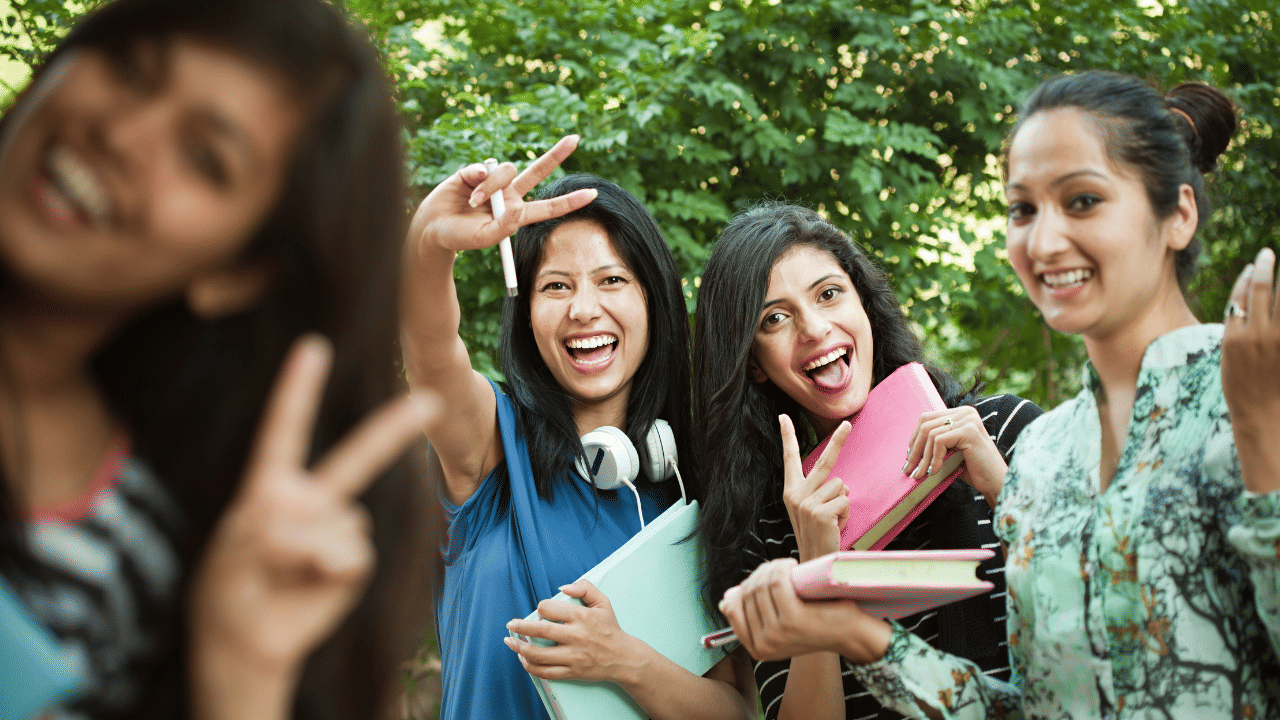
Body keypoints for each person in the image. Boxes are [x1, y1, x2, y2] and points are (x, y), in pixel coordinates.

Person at [719, 70, 1280, 718]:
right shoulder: (1044, 456)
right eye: (1022, 210)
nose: (1042, 242)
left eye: (1083, 201)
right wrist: (850, 631)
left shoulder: (1244, 402)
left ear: (1178, 214)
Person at [0, 1, 437, 719]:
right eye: (130, 68)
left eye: (205, 158)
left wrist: (241, 678)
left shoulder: (129, 565)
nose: (120, 132)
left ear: (238, 272)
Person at [401, 154, 756, 720]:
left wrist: (621, 660)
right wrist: (429, 245)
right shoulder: (492, 443)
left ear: (651, 300)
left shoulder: (683, 491)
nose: (584, 310)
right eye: (556, 286)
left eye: (612, 280)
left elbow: (733, 711)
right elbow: (430, 354)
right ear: (528, 313)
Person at [692, 201, 1042, 720]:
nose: (813, 329)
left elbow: (1115, 619)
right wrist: (815, 571)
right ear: (755, 364)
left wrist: (1001, 490)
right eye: (775, 319)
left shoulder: (1004, 431)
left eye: (829, 294)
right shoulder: (764, 530)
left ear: (864, 306)